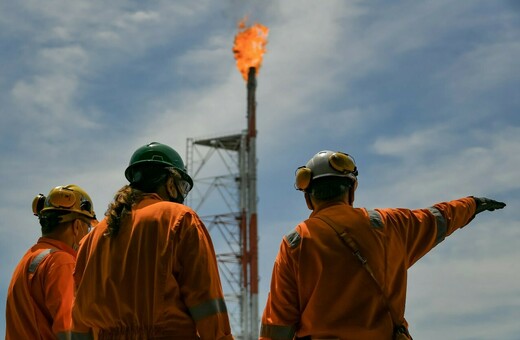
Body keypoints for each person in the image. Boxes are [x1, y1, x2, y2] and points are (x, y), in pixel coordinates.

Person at [259, 150, 506, 340]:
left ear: (308, 199)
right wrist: (471, 204)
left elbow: (277, 325)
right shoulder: (388, 225)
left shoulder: (295, 243)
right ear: (351, 191)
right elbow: (437, 219)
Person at [71, 142, 234, 340]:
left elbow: (79, 320)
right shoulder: (180, 219)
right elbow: (206, 303)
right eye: (182, 186)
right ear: (170, 183)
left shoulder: (92, 239)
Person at [6, 184, 97, 340]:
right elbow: (69, 330)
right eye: (87, 228)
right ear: (77, 226)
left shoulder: (28, 260)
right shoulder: (62, 261)